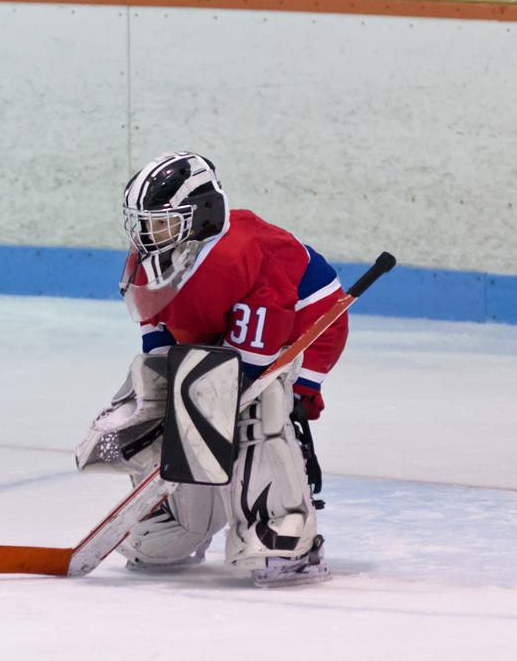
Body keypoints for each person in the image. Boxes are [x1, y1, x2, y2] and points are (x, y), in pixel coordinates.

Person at [76, 151, 347, 587]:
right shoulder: (153, 258)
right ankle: (182, 522)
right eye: (142, 222)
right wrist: (159, 403)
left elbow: (249, 371)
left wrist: (213, 403)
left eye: (160, 222)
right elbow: (159, 337)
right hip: (222, 325)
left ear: (200, 215)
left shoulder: (243, 255)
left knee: (255, 406)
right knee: (160, 385)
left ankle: (280, 527)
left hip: (304, 322)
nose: (147, 233)